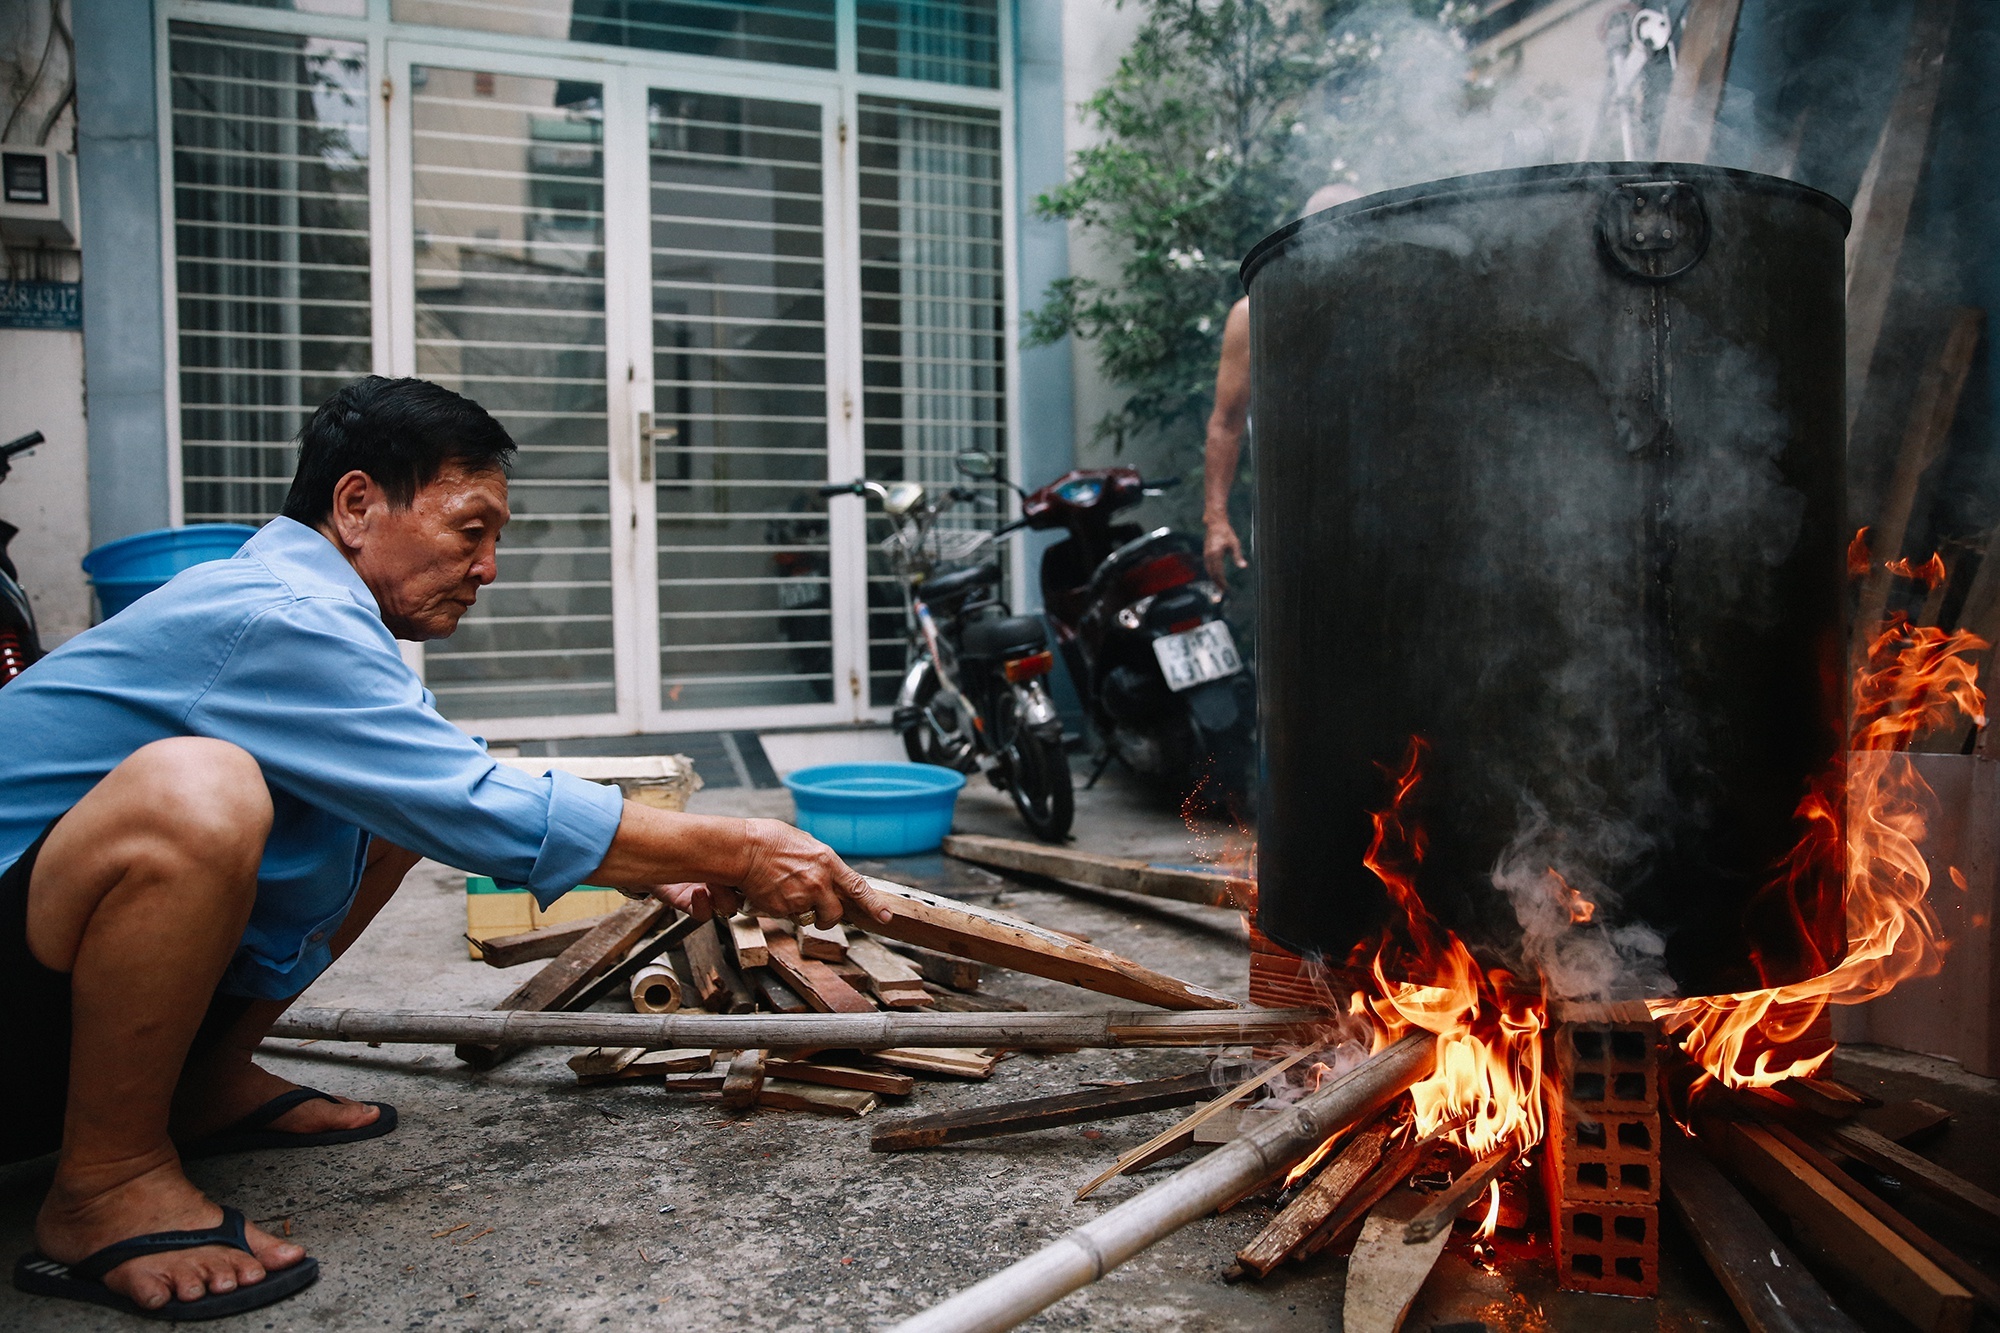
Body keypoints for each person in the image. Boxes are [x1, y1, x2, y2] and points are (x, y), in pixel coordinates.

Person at [0, 377, 894, 1320]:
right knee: (199, 791)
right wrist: (744, 847)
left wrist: (654, 850)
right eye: (472, 529)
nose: (490, 566)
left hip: (38, 987)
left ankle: (202, 1085)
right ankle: (106, 1178)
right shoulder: (277, 611)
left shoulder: (314, 607)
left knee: (389, 803)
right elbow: (477, 804)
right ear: (356, 506)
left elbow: (443, 782)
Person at [1202, 183, 1364, 583]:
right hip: (1291, 518)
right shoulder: (1258, 311)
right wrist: (1217, 520)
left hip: (1376, 510)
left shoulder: (1385, 298)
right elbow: (1226, 423)